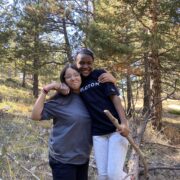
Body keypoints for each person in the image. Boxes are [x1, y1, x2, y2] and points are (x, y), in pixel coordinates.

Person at [74, 48, 130, 180]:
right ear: (76, 63)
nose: (86, 66)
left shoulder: (100, 75)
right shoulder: (76, 80)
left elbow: (115, 98)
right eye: (82, 63)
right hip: (98, 134)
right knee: (103, 176)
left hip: (116, 129)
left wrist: (124, 123)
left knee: (114, 174)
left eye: (89, 63)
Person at [31, 64, 92, 180]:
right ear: (64, 80)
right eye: (68, 76)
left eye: (76, 74)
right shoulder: (60, 101)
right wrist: (46, 89)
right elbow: (35, 116)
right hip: (63, 160)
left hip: (83, 158)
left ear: (81, 76)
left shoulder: (89, 96)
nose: (73, 78)